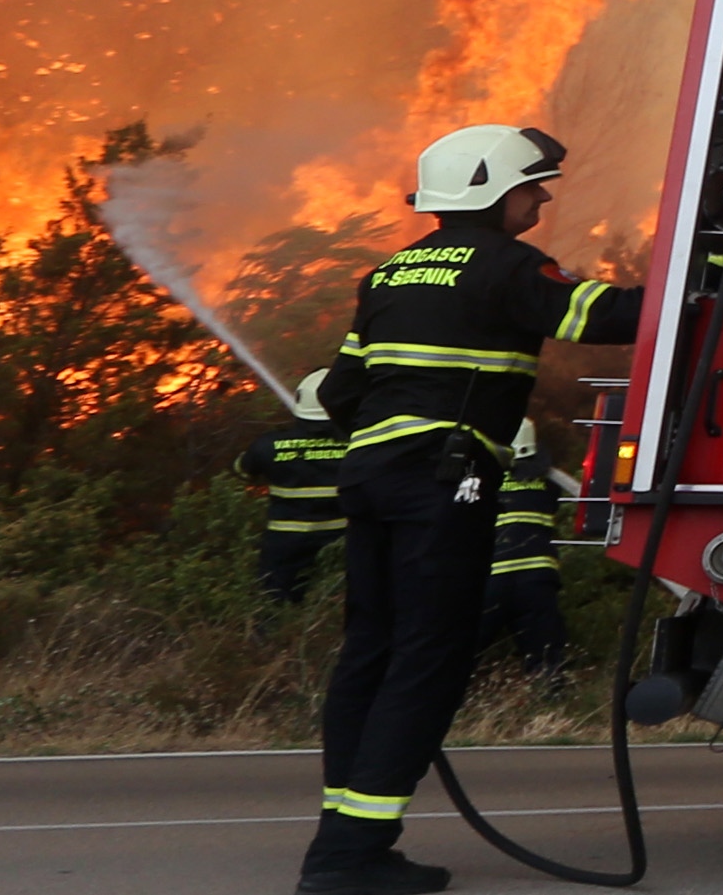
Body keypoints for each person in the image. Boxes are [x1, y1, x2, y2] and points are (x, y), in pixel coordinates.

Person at [293, 125, 643, 895]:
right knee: (430, 656)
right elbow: (603, 318)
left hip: (373, 477)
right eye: (532, 184)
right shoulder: (506, 265)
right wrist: (703, 282)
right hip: (442, 480)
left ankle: (343, 833)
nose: (543, 196)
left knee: (371, 651)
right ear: (491, 188)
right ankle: (349, 855)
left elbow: (341, 392)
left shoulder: (388, 273)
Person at [236, 370, 348, 606]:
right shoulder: (358, 443)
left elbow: (242, 471)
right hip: (343, 540)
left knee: (275, 603)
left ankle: (274, 640)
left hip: (285, 542)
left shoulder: (268, 445)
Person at [479, 417, 568, 683]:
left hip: (491, 578)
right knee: (545, 653)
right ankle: (548, 700)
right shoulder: (548, 483)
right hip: (538, 578)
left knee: (463, 648)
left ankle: (454, 703)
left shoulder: (483, 480)